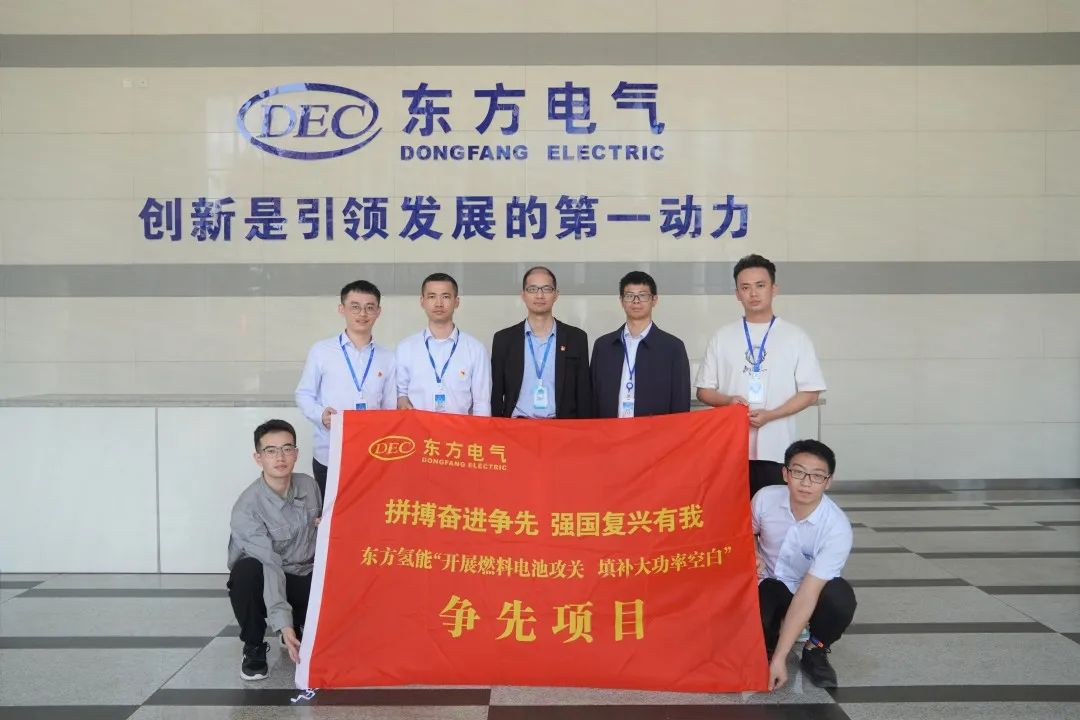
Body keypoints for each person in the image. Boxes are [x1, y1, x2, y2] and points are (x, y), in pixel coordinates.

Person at [695, 254, 826, 499]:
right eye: (745, 287)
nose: (753, 293)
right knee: (731, 513)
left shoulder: (794, 337)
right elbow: (704, 390)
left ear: (774, 289)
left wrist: (771, 415)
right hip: (731, 449)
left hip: (777, 448)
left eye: (760, 285)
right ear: (737, 294)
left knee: (773, 514)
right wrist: (728, 401)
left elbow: (810, 392)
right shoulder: (722, 337)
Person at [755, 439, 856, 690]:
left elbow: (808, 593)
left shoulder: (836, 527)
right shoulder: (765, 498)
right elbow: (744, 532)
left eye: (817, 476)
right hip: (768, 582)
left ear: (828, 481)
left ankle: (815, 650)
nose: (806, 482)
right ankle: (768, 641)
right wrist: (753, 552)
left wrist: (781, 659)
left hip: (808, 589)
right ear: (785, 474)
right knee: (758, 609)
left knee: (839, 598)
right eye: (798, 472)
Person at [227, 419, 321, 681]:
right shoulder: (247, 508)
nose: (280, 457)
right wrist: (283, 623)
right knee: (246, 572)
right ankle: (254, 646)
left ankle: (300, 626)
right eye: (271, 451)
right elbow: (270, 565)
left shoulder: (309, 486)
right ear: (258, 458)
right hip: (266, 578)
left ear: (296, 454)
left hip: (303, 575)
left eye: (287, 449)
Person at [295, 280, 397, 498]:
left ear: (378, 312)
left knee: (369, 512)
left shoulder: (388, 357)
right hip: (329, 453)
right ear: (342, 309)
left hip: (371, 456)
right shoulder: (322, 351)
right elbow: (304, 394)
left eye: (370, 307)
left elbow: (390, 408)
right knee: (331, 515)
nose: (362, 314)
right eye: (355, 307)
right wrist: (320, 415)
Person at [491, 266, 591, 419]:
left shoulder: (576, 338)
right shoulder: (504, 340)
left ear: (556, 294)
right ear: (523, 295)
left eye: (546, 289)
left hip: (561, 428)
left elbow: (583, 394)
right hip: (517, 427)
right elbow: (496, 394)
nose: (539, 295)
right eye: (532, 289)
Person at [590, 270, 691, 418]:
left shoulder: (673, 347)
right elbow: (592, 398)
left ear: (654, 300)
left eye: (643, 295)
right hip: (610, 429)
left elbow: (680, 403)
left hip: (654, 431)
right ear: (621, 300)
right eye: (629, 295)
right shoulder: (603, 346)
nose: (636, 301)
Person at [396, 272, 491, 415]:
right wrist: (402, 401)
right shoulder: (405, 348)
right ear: (422, 301)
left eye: (445, 297)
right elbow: (400, 393)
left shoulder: (476, 349)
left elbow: (482, 403)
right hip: (418, 427)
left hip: (460, 428)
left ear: (456, 302)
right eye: (432, 296)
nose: (439, 304)